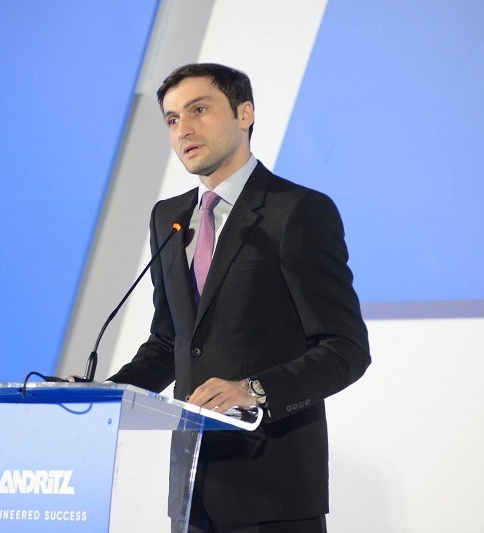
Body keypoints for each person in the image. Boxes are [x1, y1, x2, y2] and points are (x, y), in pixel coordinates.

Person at [108, 63, 371, 533]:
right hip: (193, 492)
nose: (183, 129)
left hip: (273, 491)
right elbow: (171, 342)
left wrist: (254, 390)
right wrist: (105, 394)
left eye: (199, 110)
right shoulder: (169, 218)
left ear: (244, 114)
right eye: (172, 119)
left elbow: (345, 348)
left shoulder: (297, 210)